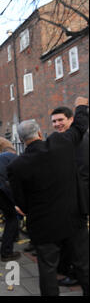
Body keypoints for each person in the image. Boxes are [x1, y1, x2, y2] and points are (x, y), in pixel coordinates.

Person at [7, 97, 89, 296]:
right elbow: (79, 126)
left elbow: (21, 202)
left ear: (20, 140)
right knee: (83, 264)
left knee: (48, 270)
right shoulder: (60, 144)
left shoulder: (16, 166)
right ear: (40, 133)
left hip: (43, 225)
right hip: (73, 218)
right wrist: (80, 106)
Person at [51, 105, 89, 287]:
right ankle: (70, 270)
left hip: (78, 200)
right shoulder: (65, 140)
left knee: (78, 244)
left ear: (71, 120)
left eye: (61, 120)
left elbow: (82, 172)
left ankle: (76, 274)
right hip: (70, 200)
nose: (57, 124)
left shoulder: (79, 141)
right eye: (54, 121)